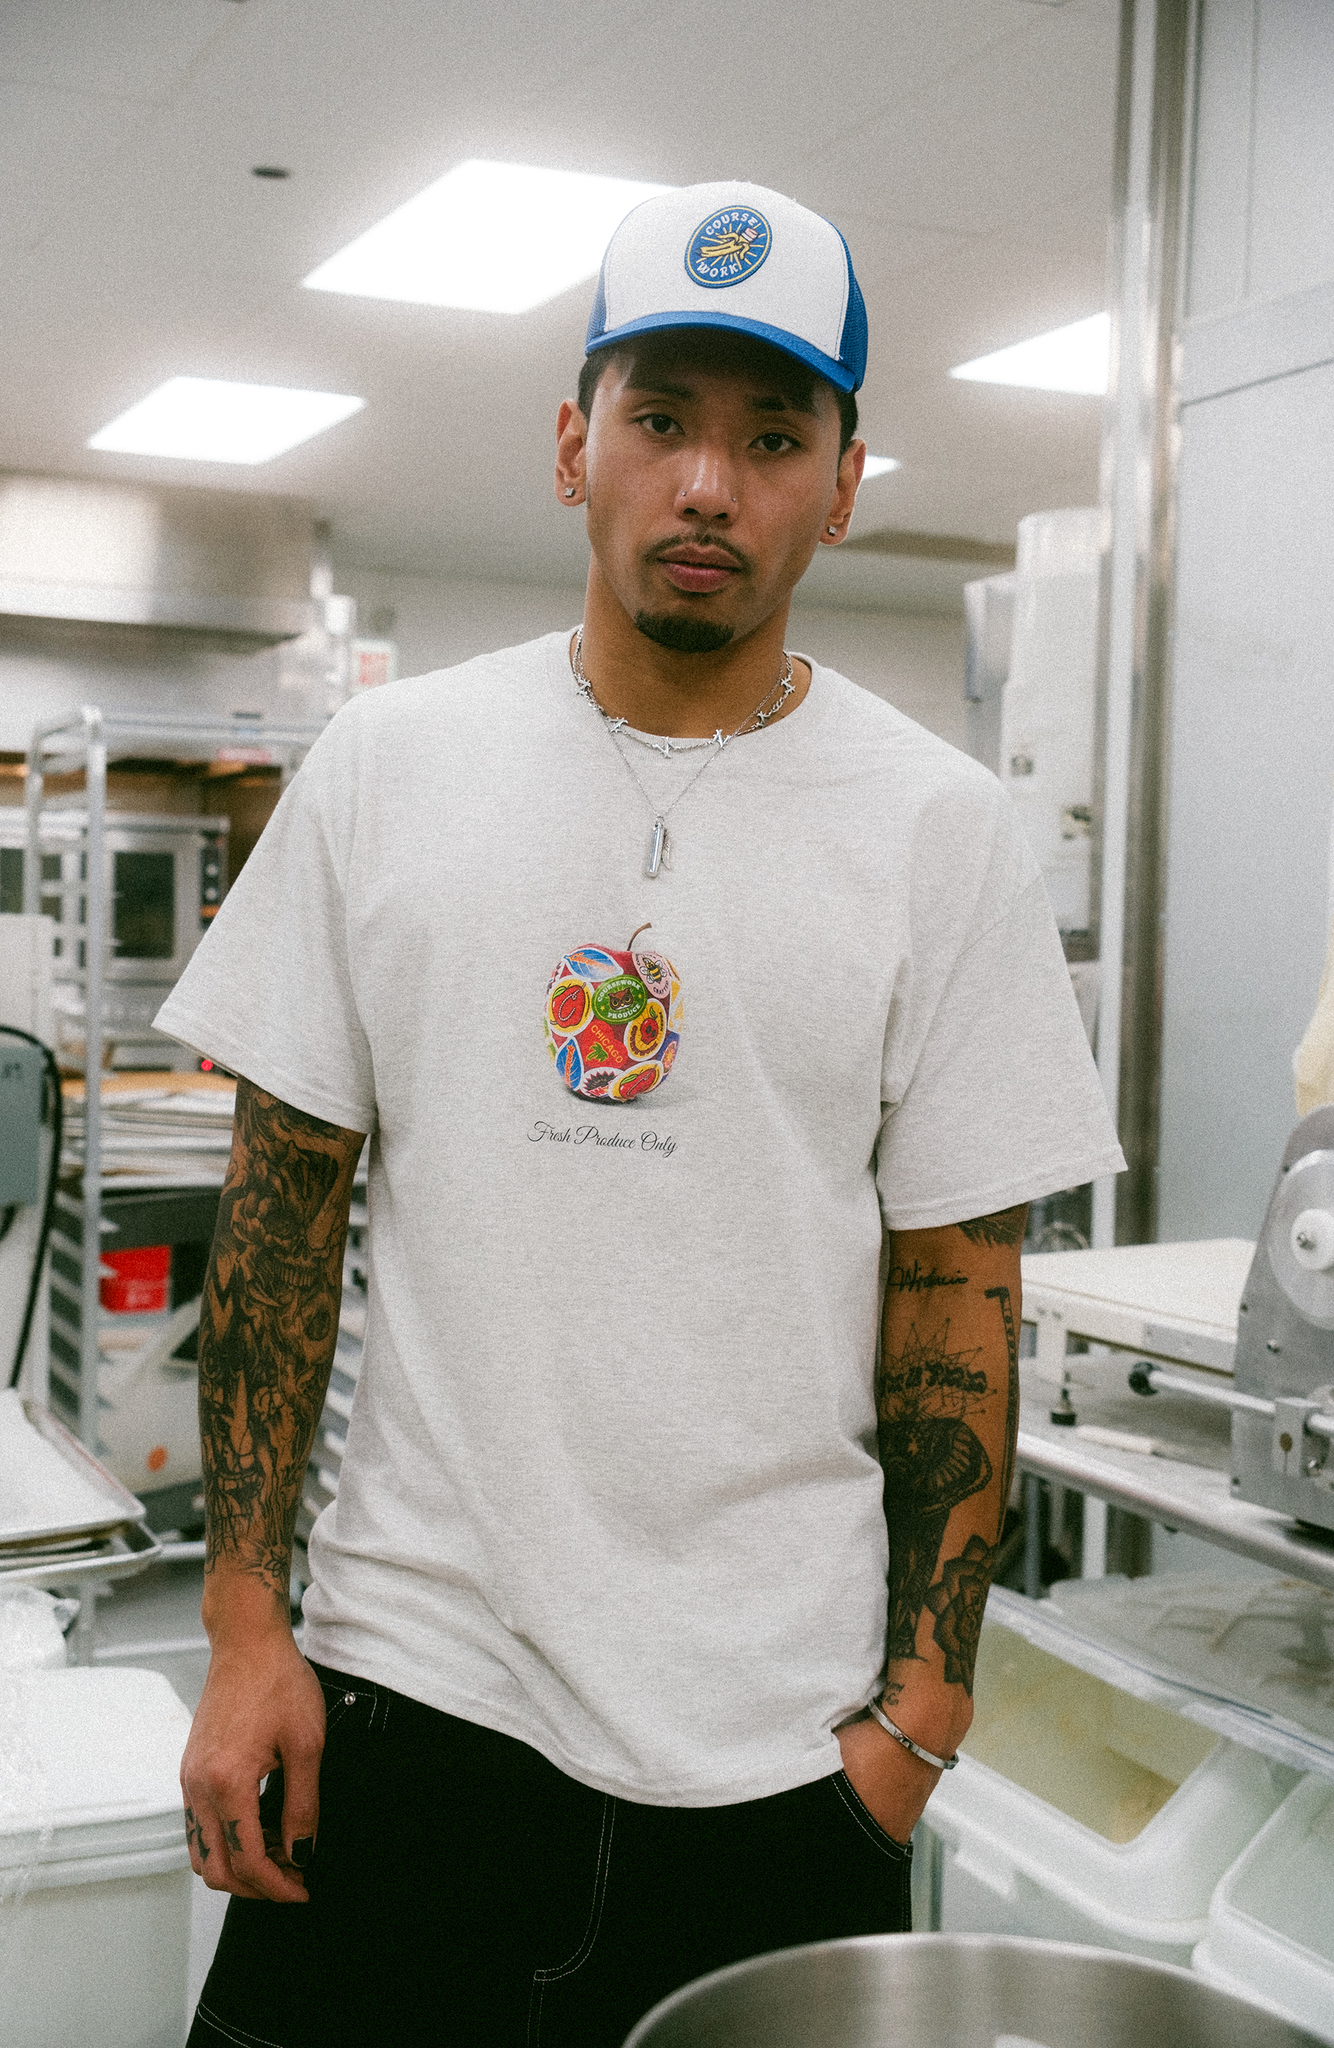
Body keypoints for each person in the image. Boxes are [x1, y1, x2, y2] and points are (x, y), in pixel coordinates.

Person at [166, 180, 1123, 2047]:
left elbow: (958, 1296)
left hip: (775, 1756)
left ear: (845, 484)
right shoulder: (390, 768)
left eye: (776, 437)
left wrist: (916, 1723)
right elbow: (279, 1217)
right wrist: (243, 1628)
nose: (711, 485)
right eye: (662, 419)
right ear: (570, 444)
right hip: (403, 1698)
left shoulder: (940, 835)